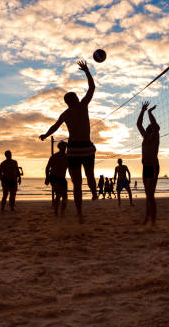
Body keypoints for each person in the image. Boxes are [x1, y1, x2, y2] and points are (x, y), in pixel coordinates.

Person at [39, 60, 98, 223]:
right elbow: (92, 88)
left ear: (67, 102)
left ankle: (80, 214)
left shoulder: (66, 113)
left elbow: (54, 127)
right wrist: (87, 72)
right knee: (90, 176)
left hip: (73, 149)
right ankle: (94, 193)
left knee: (77, 184)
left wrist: (45, 135)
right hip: (85, 147)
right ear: (76, 99)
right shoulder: (83, 105)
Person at [137, 102, 160, 226]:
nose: (150, 126)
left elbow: (154, 125)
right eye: (149, 126)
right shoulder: (145, 137)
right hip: (145, 167)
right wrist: (142, 110)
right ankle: (147, 217)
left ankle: (153, 220)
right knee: (148, 194)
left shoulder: (155, 136)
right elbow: (138, 124)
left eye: (151, 126)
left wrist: (150, 113)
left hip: (153, 167)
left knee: (150, 194)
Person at [45, 141, 68, 217]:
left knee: (65, 197)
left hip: (62, 178)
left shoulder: (67, 157)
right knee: (58, 194)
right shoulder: (54, 156)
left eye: (65, 147)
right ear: (59, 147)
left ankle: (62, 212)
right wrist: (47, 178)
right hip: (54, 177)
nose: (64, 148)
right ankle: (56, 211)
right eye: (62, 147)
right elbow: (48, 167)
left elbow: (70, 168)